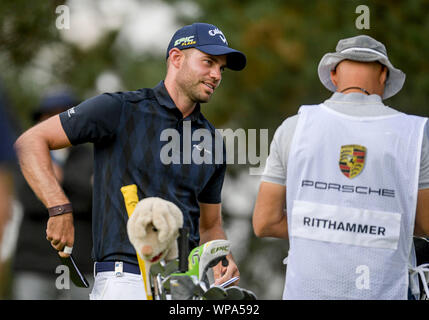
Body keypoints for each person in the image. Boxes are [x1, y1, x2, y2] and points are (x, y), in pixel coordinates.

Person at [14, 22, 246, 300]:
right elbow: (30, 142)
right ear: (176, 57)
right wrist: (59, 208)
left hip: (184, 285)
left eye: (221, 68)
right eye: (208, 62)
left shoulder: (212, 141)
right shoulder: (120, 109)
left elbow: (209, 225)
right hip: (124, 280)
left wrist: (223, 257)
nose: (216, 74)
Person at [252, 35, 429, 300]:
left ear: (334, 75)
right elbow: (425, 224)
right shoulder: (415, 134)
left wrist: (327, 228)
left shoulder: (294, 127)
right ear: (383, 76)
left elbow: (265, 222)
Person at [12, 89, 94, 300]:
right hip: (34, 265)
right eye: (49, 114)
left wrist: (56, 180)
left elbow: (91, 201)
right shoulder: (25, 158)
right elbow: (28, 200)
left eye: (64, 113)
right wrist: (61, 190)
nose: (56, 120)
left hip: (80, 266)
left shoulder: (90, 157)